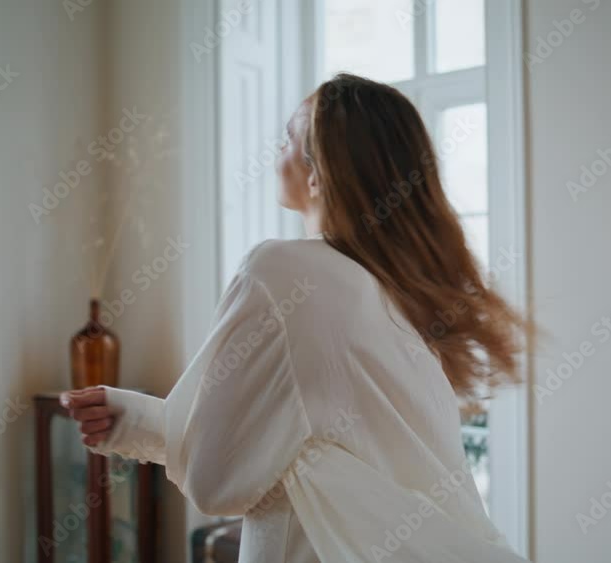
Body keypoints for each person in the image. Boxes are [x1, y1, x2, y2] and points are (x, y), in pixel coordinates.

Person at [61, 73, 530, 562]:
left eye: (288, 137)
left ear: (318, 172)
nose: (276, 151)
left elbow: (214, 480)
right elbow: (303, 445)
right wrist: (136, 421)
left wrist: (141, 425)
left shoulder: (281, 273)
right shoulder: (403, 299)